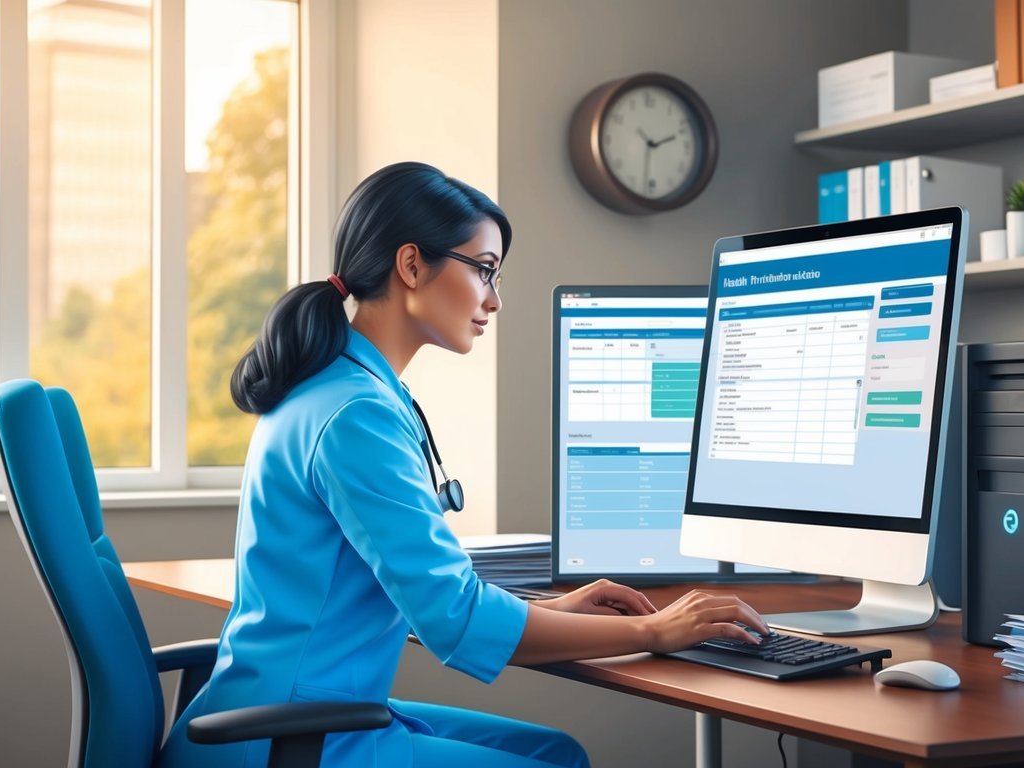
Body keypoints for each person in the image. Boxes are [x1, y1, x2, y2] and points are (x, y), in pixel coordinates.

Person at [159, 161, 768, 768]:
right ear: (411, 265)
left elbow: (431, 597)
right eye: (484, 270)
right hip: (283, 739)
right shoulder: (356, 415)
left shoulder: (340, 388)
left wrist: (556, 609)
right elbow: (455, 620)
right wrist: (654, 631)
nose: (494, 300)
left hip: (273, 713)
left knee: (557, 752)